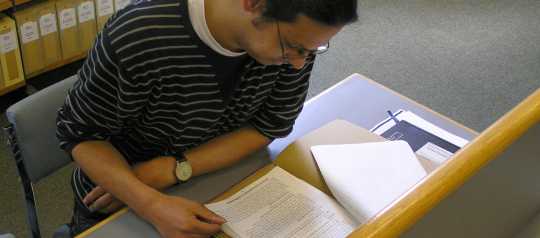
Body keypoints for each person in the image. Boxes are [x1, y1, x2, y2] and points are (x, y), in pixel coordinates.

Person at [56, 0, 358, 237]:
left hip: (214, 180)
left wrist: (175, 168)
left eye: (314, 49)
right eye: (293, 47)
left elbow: (268, 125)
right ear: (253, 3)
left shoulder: (296, 39)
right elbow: (80, 135)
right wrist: (149, 201)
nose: (299, 65)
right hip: (120, 194)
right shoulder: (140, 35)